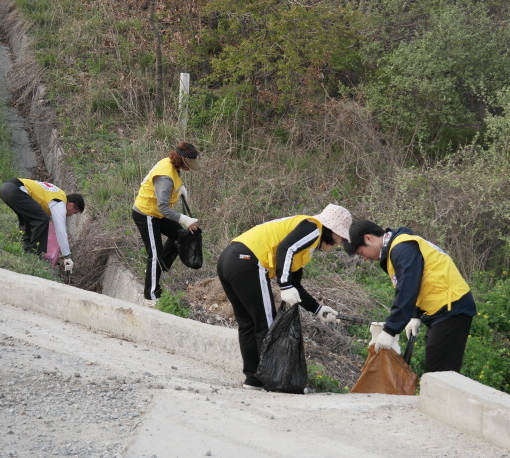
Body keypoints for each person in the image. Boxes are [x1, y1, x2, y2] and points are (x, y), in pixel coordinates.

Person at [217, 204, 353, 390]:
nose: (339, 243)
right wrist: (284, 284)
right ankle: (276, 381)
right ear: (332, 230)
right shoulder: (313, 228)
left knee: (248, 323)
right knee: (269, 325)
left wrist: (317, 309)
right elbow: (286, 249)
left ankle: (254, 379)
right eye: (341, 238)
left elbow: (295, 282)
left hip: (229, 259)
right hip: (248, 261)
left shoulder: (303, 235)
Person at [344, 220, 476, 373]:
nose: (364, 258)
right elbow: (421, 280)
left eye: (361, 253)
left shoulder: (402, 248)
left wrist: (390, 330)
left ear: (368, 238)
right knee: (438, 370)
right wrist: (416, 314)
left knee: (439, 374)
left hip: (452, 308)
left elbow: (408, 288)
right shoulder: (398, 247)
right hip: (441, 309)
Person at [132, 141, 201, 303]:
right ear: (182, 161)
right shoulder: (165, 177)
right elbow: (163, 207)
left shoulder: (170, 164)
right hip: (146, 214)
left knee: (181, 236)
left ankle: (157, 271)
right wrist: (185, 220)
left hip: (157, 215)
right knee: (154, 254)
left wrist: (180, 189)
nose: (190, 168)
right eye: (189, 164)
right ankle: (152, 296)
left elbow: (172, 182)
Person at [0, 178, 85, 272]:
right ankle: (34, 255)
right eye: (74, 213)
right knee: (42, 220)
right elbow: (60, 230)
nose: (70, 215)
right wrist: (67, 256)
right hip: (15, 190)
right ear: (71, 205)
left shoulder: (57, 194)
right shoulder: (59, 202)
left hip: (6, 187)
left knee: (31, 219)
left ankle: (26, 250)